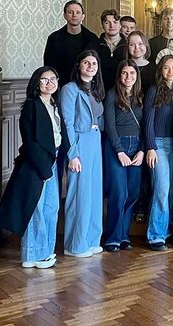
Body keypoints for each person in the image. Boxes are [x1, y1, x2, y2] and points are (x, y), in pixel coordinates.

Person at [0, 67, 66, 269]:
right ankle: (32, 255)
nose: (49, 83)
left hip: (52, 160)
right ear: (36, 83)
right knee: (37, 210)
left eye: (53, 79)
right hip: (37, 163)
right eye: (44, 80)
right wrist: (44, 169)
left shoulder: (53, 105)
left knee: (52, 208)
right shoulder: (31, 106)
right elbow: (30, 141)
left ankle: (46, 251)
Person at [59, 50, 105, 258]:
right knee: (80, 195)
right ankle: (75, 244)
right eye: (86, 62)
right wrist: (73, 154)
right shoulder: (69, 89)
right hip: (79, 142)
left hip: (95, 142)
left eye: (94, 63)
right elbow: (67, 123)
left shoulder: (95, 90)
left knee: (94, 194)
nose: (90, 66)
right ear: (79, 65)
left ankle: (91, 239)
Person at [143, 55, 173, 251]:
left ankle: (166, 231)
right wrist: (150, 147)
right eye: (167, 68)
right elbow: (148, 122)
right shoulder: (154, 90)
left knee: (172, 191)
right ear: (161, 70)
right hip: (158, 145)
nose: (170, 71)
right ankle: (155, 236)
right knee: (162, 187)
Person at [102, 60, 145, 252]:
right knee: (118, 193)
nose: (129, 77)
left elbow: (146, 126)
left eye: (132, 74)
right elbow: (109, 126)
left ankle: (124, 235)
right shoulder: (111, 95)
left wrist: (142, 150)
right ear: (119, 76)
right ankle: (112, 237)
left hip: (136, 148)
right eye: (125, 73)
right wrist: (119, 151)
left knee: (132, 193)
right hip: (116, 147)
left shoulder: (140, 96)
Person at [43, 0, 98, 84]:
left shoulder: (92, 39)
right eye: (70, 12)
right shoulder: (54, 38)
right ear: (65, 15)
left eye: (78, 12)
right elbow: (49, 66)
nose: (74, 15)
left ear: (83, 16)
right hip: (60, 85)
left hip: (86, 85)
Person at [88, 9, 127, 86]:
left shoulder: (128, 45)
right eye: (107, 23)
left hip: (122, 89)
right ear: (102, 26)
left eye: (115, 22)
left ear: (120, 25)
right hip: (98, 89)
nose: (111, 26)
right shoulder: (93, 46)